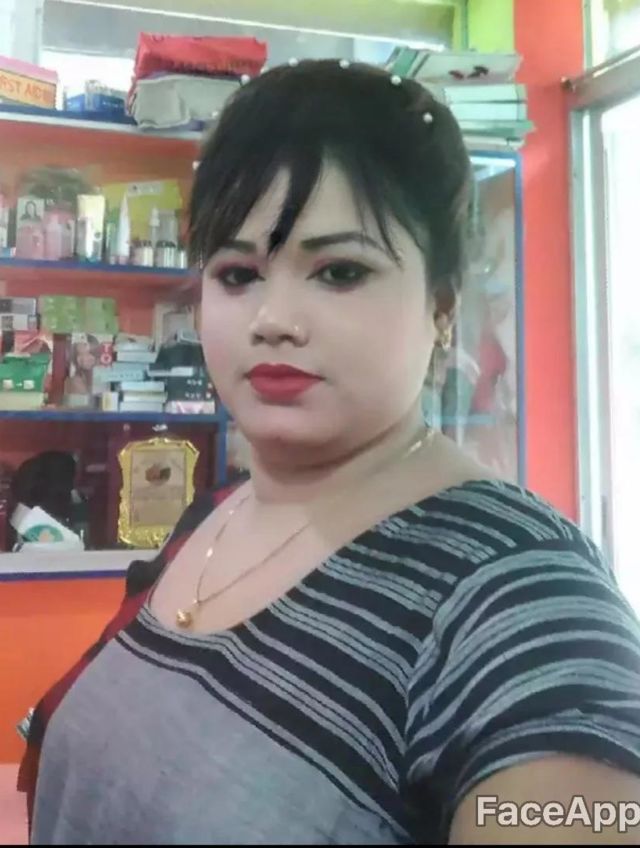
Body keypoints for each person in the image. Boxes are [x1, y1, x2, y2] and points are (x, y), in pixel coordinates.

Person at [20, 60, 640, 844]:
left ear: (441, 304)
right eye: (238, 273)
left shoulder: (525, 605)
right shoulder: (213, 513)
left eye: (339, 271)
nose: (273, 318)